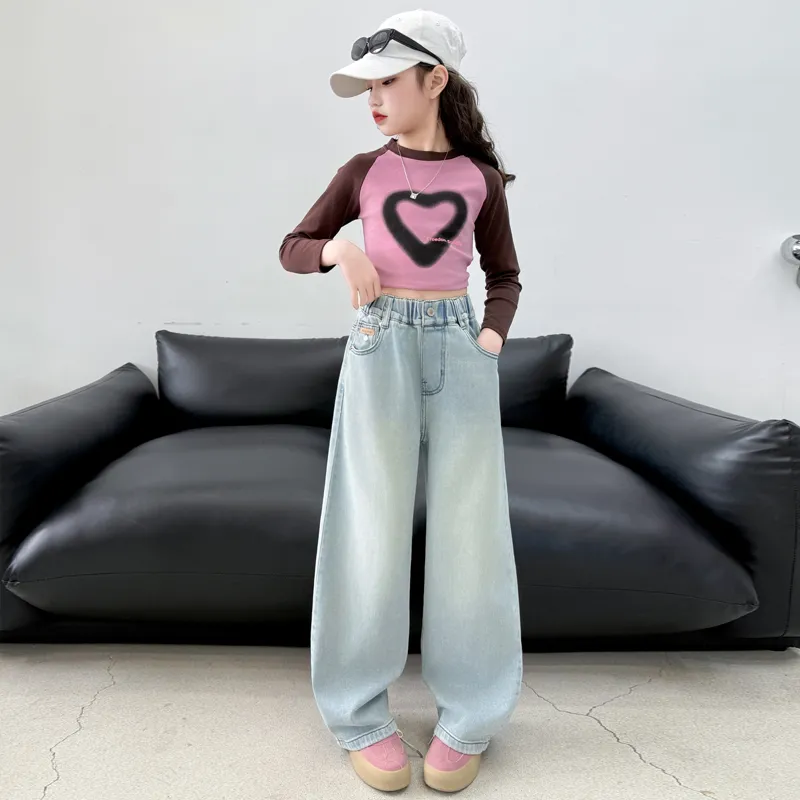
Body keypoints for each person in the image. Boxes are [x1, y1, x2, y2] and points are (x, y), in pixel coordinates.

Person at [279, 9, 523, 793]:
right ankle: (359, 713)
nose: (375, 99)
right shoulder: (362, 171)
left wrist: (490, 339)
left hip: (460, 349)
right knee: (367, 528)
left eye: (387, 82)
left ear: (435, 79)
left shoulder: (481, 181)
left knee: (471, 536)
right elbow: (292, 247)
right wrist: (339, 249)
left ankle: (471, 713)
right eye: (368, 88)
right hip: (378, 346)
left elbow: (505, 275)